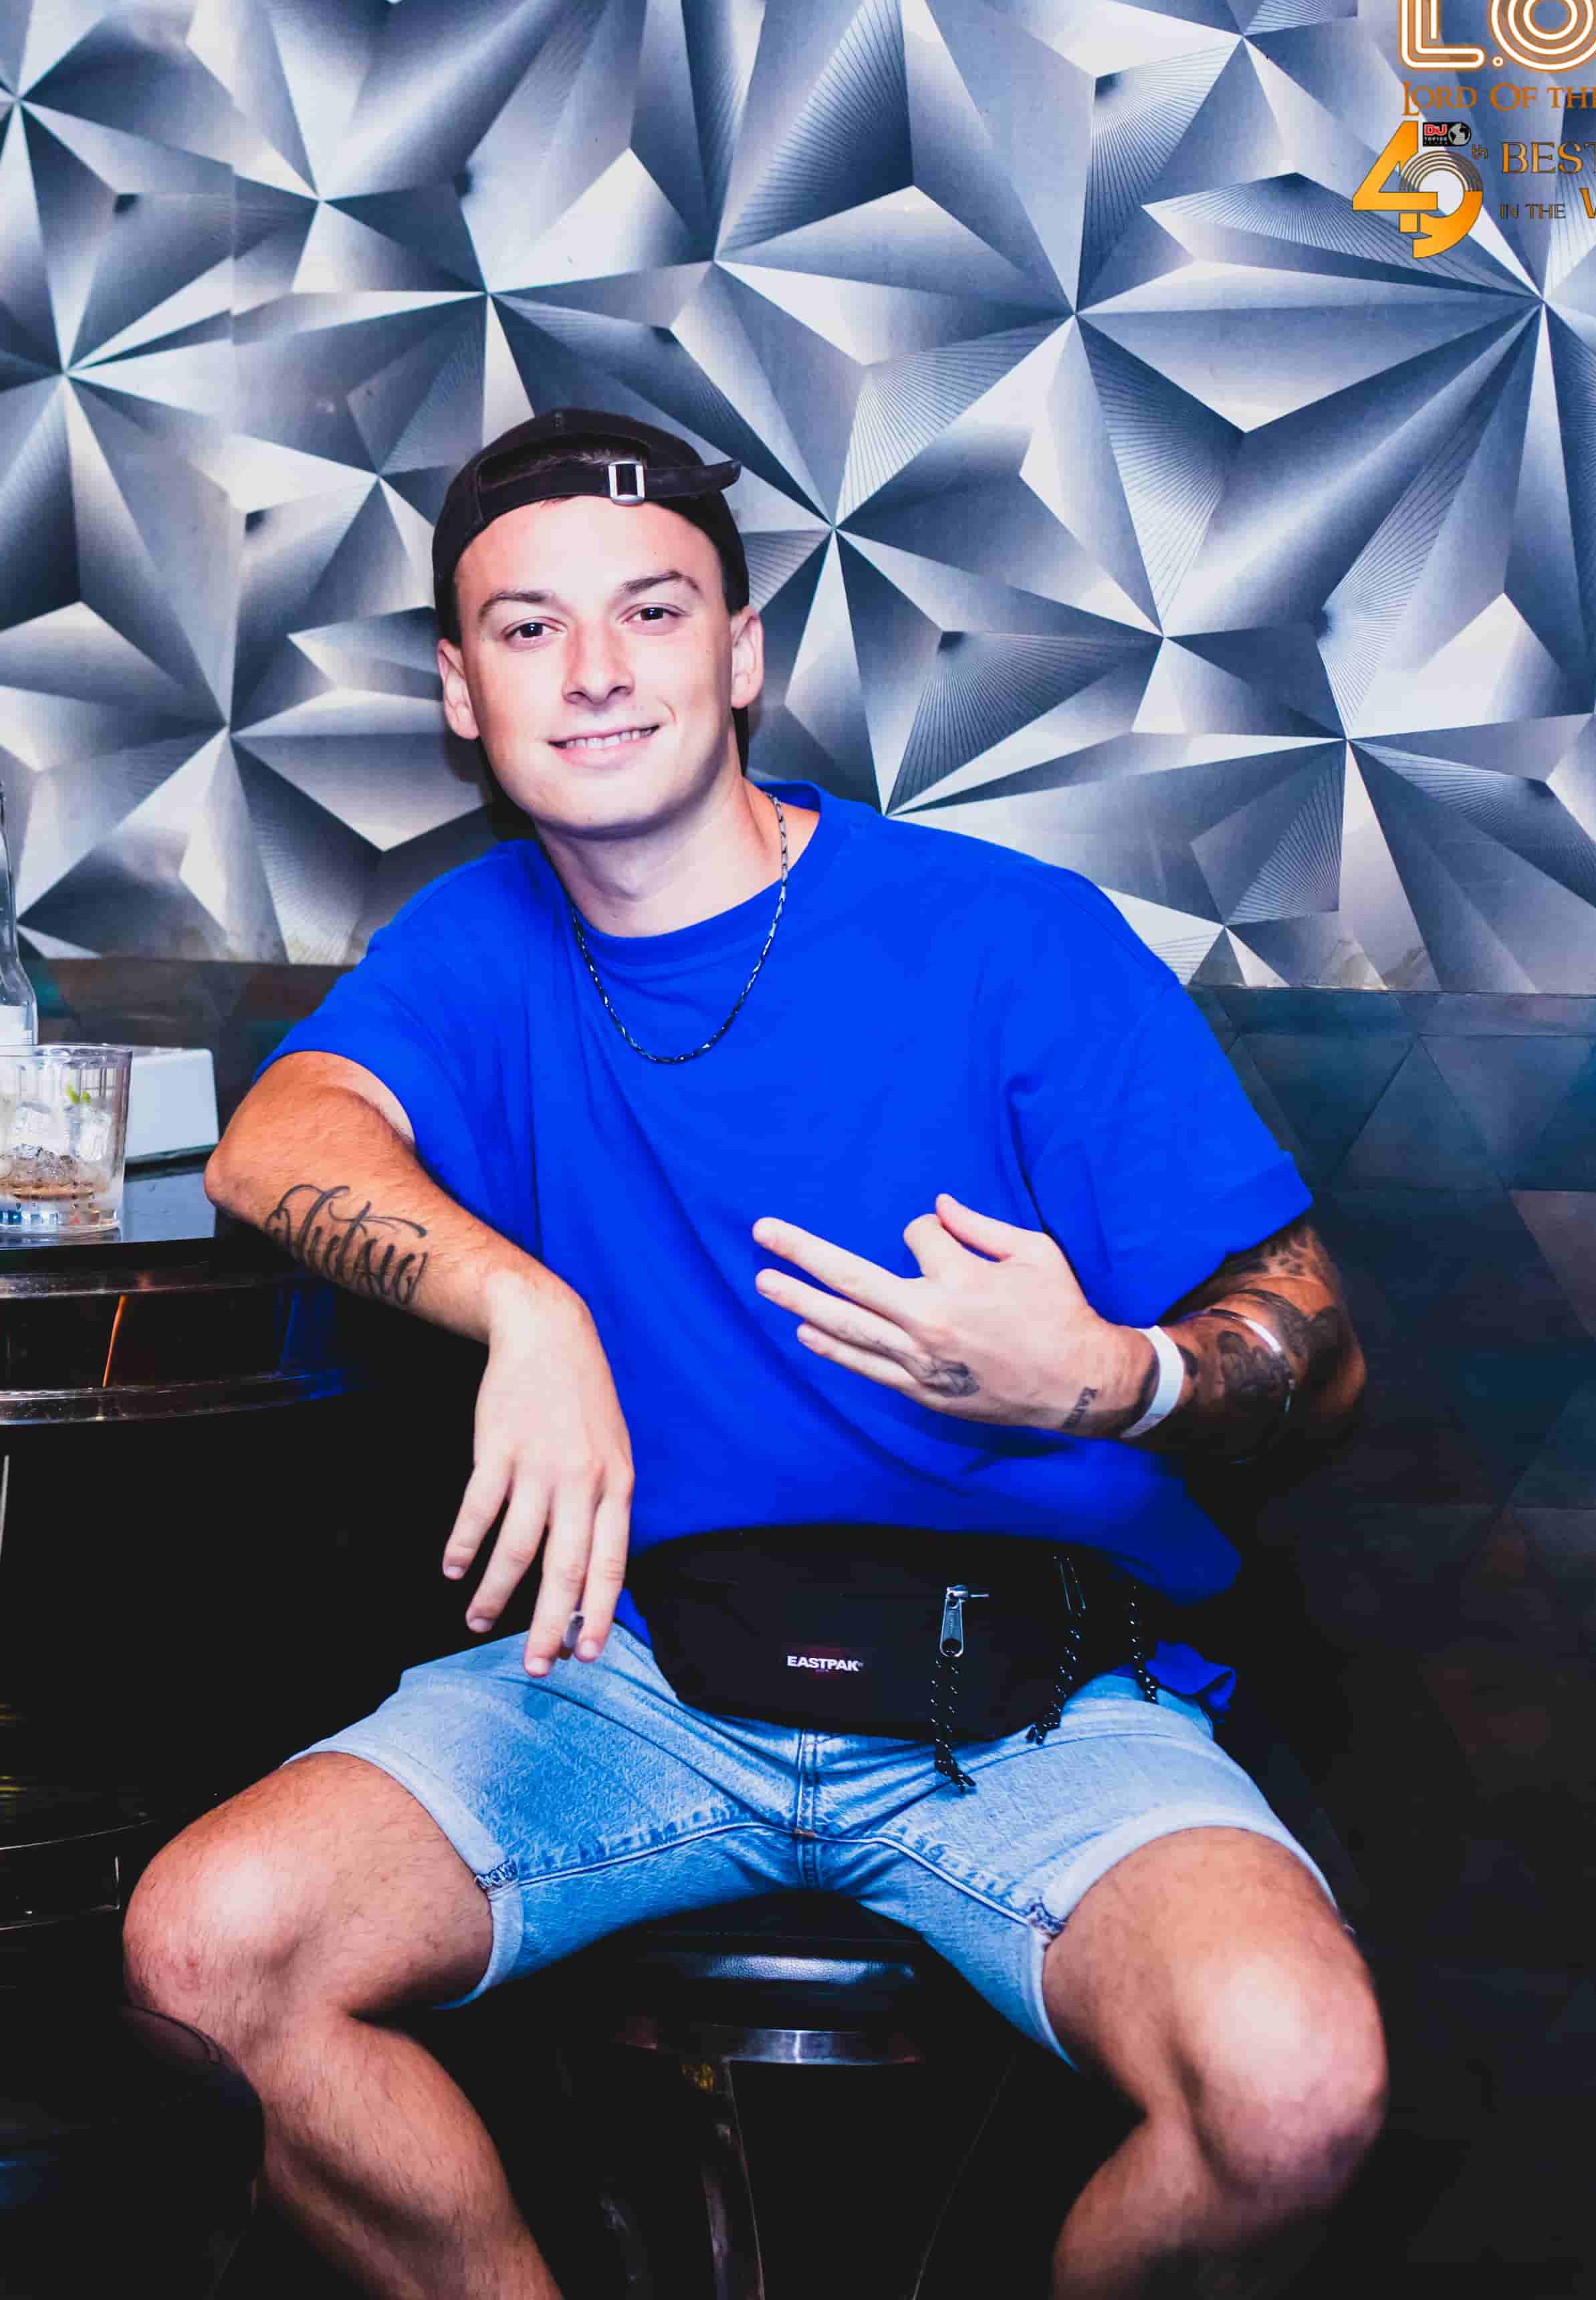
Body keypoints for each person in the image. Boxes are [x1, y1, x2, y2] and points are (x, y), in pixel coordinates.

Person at [128, 409, 1385, 2298]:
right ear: (462, 691)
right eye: (530, 628)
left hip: (1034, 1700)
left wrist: (1113, 1378)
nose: (596, 670)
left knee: (1290, 2092)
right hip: (632, 1678)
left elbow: (1323, 1352)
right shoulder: (482, 944)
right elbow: (273, 1147)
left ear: (740, 654)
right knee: (209, 1951)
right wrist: (528, 1305)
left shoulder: (1008, 938)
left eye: (651, 611)